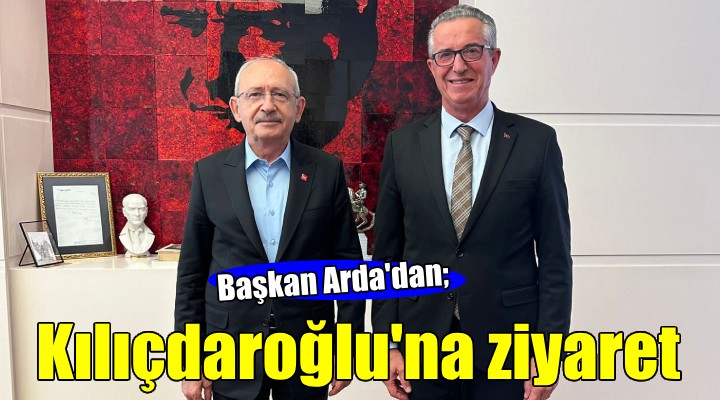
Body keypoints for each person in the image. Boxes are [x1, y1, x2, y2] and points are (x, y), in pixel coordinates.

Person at [371, 5, 572, 400]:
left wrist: (549, 352)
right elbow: (387, 256)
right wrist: (387, 344)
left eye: (471, 51)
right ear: (431, 66)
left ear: (494, 59)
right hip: (421, 346)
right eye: (445, 54)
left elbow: (554, 259)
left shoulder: (537, 143)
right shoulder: (402, 145)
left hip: (509, 350)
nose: (458, 66)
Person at [174, 56, 365, 400]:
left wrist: (347, 348)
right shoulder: (210, 173)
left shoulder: (326, 171)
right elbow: (192, 273)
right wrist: (190, 358)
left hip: (309, 348)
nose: (267, 106)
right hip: (230, 351)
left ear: (298, 107)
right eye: (254, 94)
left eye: (279, 94)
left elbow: (349, 267)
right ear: (236, 108)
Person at [118, 193, 154, 257]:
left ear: (146, 211)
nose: (137, 214)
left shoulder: (150, 235)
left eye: (141, 209)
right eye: (131, 209)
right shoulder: (122, 234)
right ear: (124, 211)